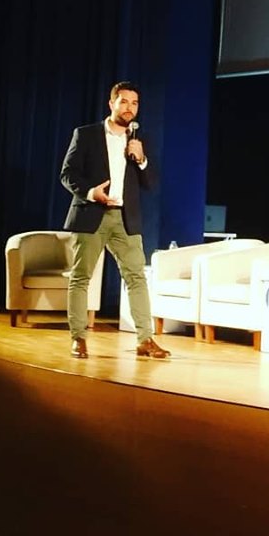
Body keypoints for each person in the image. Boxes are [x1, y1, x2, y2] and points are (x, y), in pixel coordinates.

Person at [60, 82, 169, 360]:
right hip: (91, 214)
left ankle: (145, 340)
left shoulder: (139, 140)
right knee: (81, 277)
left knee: (136, 277)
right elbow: (68, 174)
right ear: (112, 104)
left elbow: (150, 183)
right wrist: (90, 192)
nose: (129, 108)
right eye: (124, 102)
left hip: (125, 218)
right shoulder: (86, 134)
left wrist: (141, 159)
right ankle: (78, 338)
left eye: (135, 103)